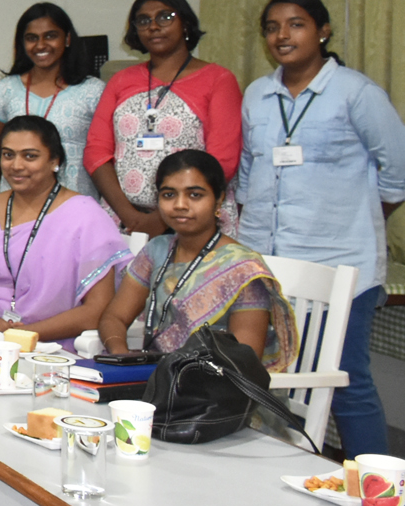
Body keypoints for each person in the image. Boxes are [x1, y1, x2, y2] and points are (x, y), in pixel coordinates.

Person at [237, 0, 405, 456]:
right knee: (263, 377)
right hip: (267, 265)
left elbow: (398, 172)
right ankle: (279, 471)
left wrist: (360, 218)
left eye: (296, 24)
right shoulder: (258, 94)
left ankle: (375, 488)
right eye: (272, 27)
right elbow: (248, 176)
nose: (282, 36)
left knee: (345, 382)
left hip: (339, 263)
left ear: (323, 31)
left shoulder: (356, 93)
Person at [0, 115, 129, 349]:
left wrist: (19, 335)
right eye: (8, 155)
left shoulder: (86, 216)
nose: (16, 165)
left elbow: (97, 310)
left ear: (54, 160)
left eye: (30, 156)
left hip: (52, 347)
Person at [100, 150, 297, 370]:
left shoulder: (243, 269)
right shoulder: (156, 251)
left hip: (216, 385)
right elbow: (114, 317)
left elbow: (244, 363)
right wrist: (122, 355)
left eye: (195, 195)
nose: (180, 205)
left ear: (219, 200)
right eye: (169, 195)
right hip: (156, 377)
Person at [84, 0, 242, 237]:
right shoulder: (120, 81)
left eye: (165, 17)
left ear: (185, 23)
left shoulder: (218, 79)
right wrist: (130, 216)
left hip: (192, 219)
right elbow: (96, 152)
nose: (153, 26)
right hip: (124, 220)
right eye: (143, 20)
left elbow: (223, 160)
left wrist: (163, 218)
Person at [0, 3, 105, 198]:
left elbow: (102, 155)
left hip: (74, 202)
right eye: (32, 38)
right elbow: (0, 153)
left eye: (50, 36)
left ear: (67, 39)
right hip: (18, 203)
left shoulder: (93, 91)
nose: (41, 45)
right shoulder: (5, 90)